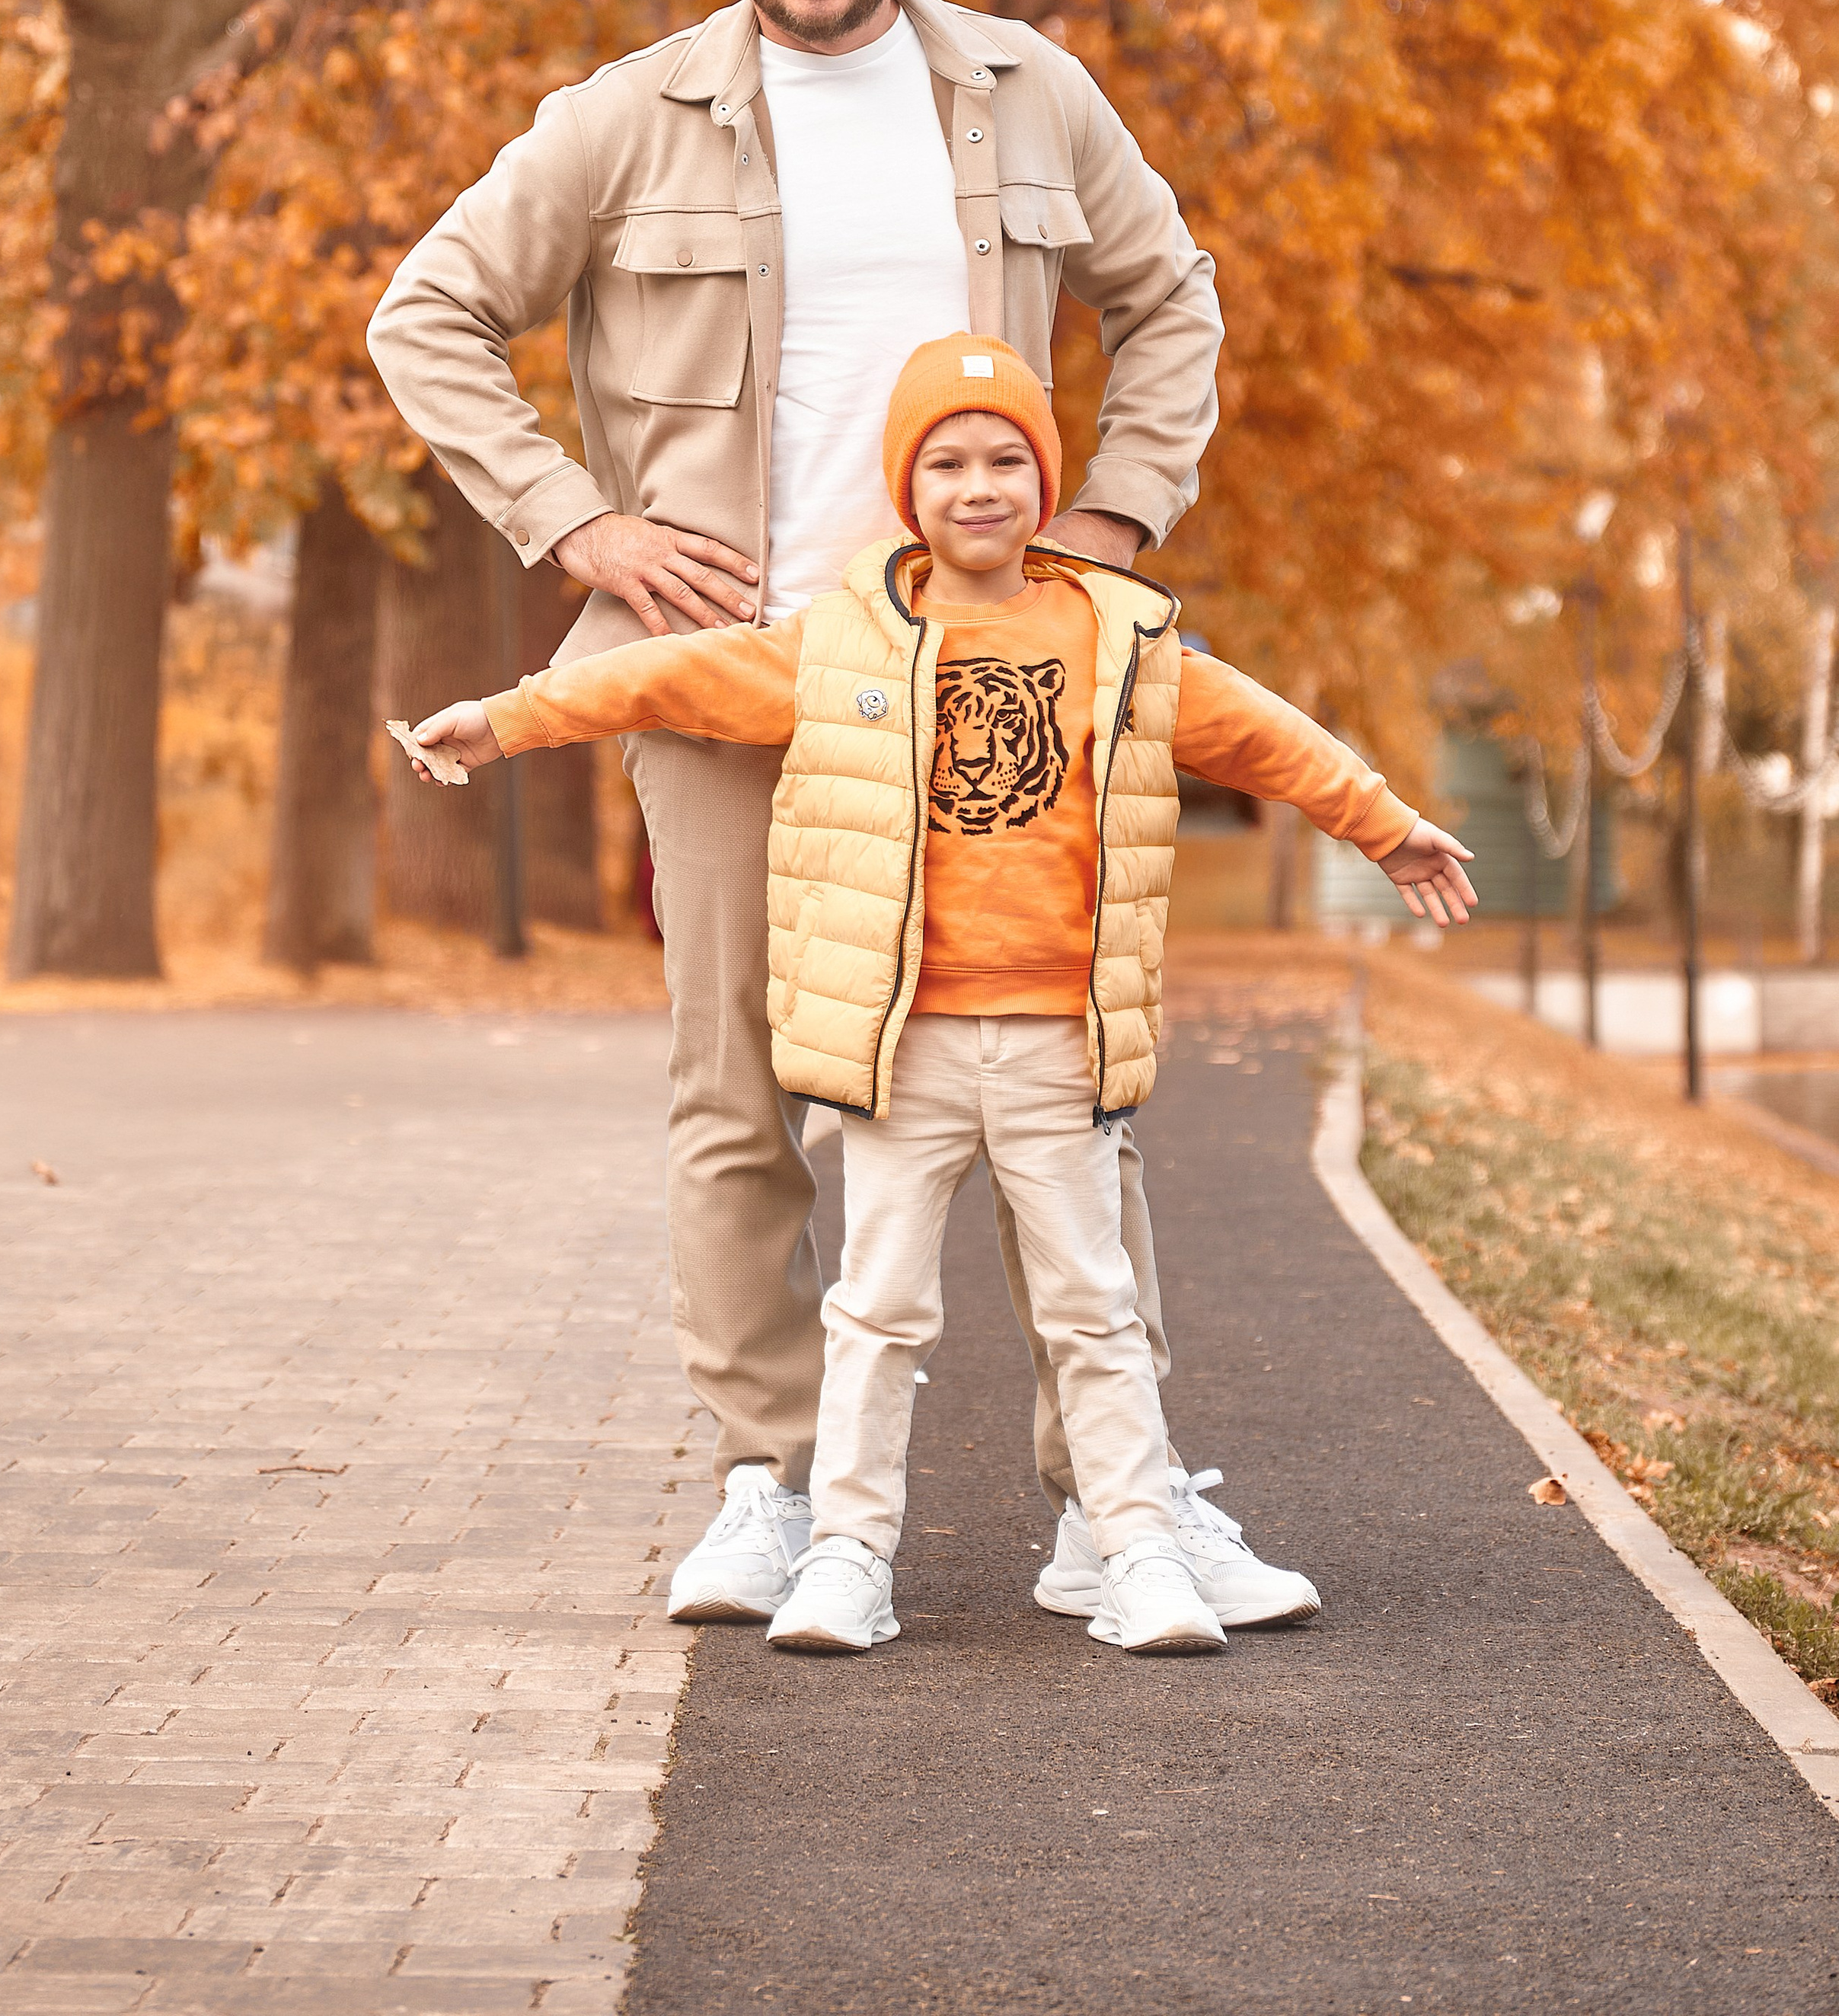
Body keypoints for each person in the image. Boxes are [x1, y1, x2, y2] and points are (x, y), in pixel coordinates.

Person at [366, 0, 1270, 1628]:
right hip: (726, 681)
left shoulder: (1028, 97)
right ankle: (772, 1482)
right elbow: (427, 314)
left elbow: (1168, 293)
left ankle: (1108, 1501)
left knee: (1055, 1079)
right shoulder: (624, 120)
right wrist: (571, 527)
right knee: (736, 1086)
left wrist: (1108, 520)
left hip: (979, 691)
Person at [401, 336, 1475, 1653]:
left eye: (1009, 458)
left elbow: (1266, 735)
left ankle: (1133, 1551)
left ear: (1049, 478)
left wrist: (1388, 827)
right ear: (908, 490)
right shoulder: (840, 641)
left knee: (1095, 1309)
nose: (981, 485)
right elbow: (662, 677)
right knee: (877, 1311)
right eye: (948, 461)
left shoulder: (1116, 635)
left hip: (1053, 1046)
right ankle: (849, 1554)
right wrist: (507, 717)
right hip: (901, 1051)